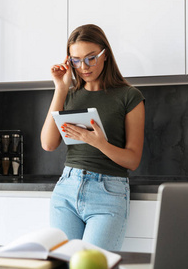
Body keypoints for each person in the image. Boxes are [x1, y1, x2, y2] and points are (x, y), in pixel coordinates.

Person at [40, 24, 145, 251]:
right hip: (67, 189)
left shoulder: (129, 96)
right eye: (75, 60)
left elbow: (133, 160)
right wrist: (60, 88)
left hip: (108, 192)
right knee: (62, 264)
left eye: (90, 58)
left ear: (104, 55)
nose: (83, 67)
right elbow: (48, 144)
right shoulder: (69, 94)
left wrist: (99, 143)